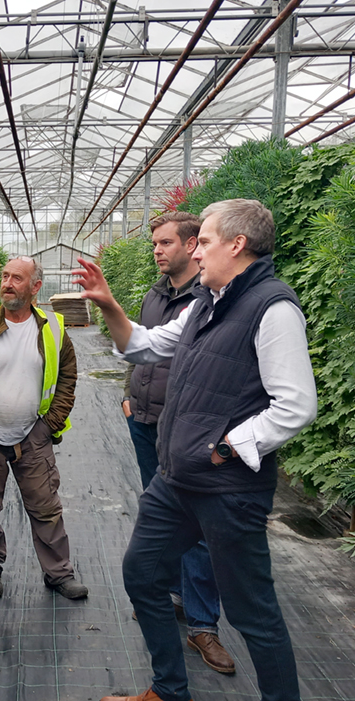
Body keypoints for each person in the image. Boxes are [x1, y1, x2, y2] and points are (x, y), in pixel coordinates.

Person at [73, 199, 316, 701]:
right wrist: (108, 303)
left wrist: (229, 446)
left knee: (252, 610)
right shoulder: (207, 302)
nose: (194, 250)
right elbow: (143, 346)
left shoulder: (272, 308)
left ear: (236, 244)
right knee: (143, 574)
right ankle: (171, 695)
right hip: (177, 480)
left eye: (203, 240)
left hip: (227, 486)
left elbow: (296, 404)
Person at [124, 212, 235, 675]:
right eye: (154, 242)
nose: (156, 250)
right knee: (159, 514)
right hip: (144, 422)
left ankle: (203, 625)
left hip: (187, 435)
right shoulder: (155, 294)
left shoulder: (209, 302)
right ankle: (170, 594)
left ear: (193, 246)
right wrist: (128, 397)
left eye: (165, 242)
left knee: (199, 528)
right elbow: (144, 350)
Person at [0, 256, 87, 600]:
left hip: (33, 436)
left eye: (17, 278)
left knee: (46, 507)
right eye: (5, 276)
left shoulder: (52, 328)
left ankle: (58, 573)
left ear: (35, 287)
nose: (7, 283)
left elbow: (68, 377)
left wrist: (48, 424)